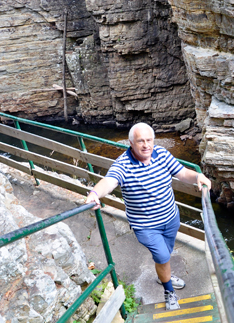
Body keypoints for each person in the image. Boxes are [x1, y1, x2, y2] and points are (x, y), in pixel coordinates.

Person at [85, 122, 211, 310]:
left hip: (170, 218)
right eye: (140, 141)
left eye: (149, 140)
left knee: (165, 255)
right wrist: (95, 194)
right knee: (161, 256)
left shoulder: (161, 154)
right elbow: (109, 182)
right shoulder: (123, 165)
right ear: (131, 143)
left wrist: (197, 177)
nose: (146, 145)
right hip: (146, 226)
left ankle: (164, 277)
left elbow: (182, 173)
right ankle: (169, 291)